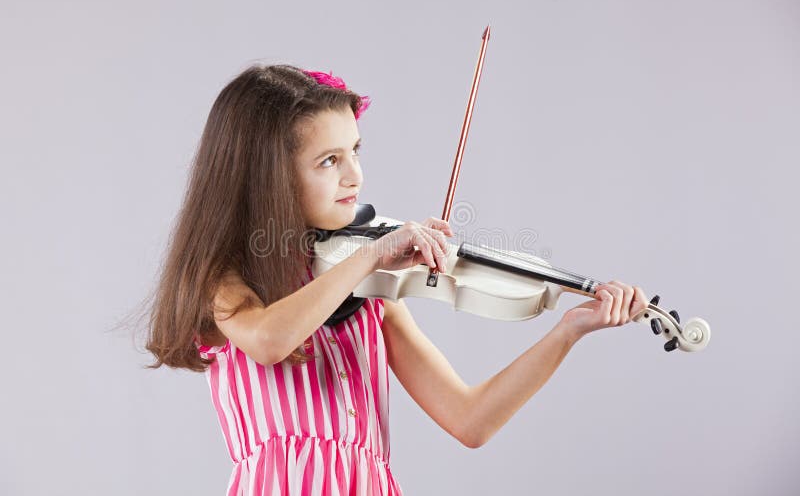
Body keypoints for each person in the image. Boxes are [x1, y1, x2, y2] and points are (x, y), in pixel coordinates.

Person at [144, 64, 649, 495]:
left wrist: (569, 329)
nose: (355, 176)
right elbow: (269, 341)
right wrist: (369, 258)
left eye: (355, 151)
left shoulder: (370, 296)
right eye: (329, 160)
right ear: (266, 174)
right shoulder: (227, 275)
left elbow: (470, 420)